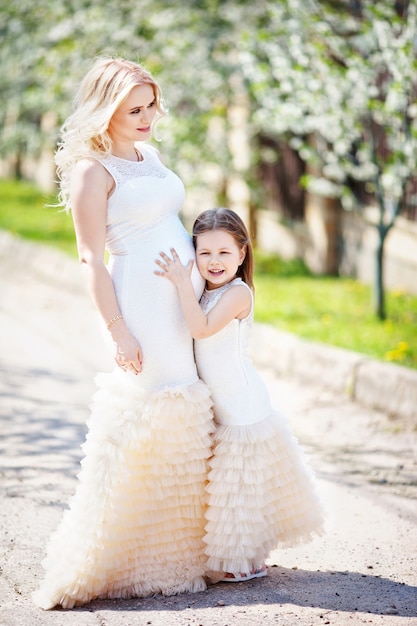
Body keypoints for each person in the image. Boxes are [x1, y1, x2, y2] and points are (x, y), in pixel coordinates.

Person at [32, 57, 214, 610]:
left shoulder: (148, 155)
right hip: (142, 308)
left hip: (184, 302)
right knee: (154, 412)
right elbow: (91, 259)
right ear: (104, 110)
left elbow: (169, 222)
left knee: (184, 418)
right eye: (134, 109)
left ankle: (178, 552)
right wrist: (119, 333)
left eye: (151, 105)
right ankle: (106, 558)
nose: (148, 117)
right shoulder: (92, 170)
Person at [155, 207, 325, 582]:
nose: (214, 262)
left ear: (243, 254)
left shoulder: (236, 293)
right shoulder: (209, 290)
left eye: (224, 253)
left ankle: (245, 563)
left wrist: (182, 282)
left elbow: (200, 330)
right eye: (205, 254)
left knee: (239, 488)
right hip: (223, 403)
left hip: (242, 404)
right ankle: (246, 558)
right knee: (230, 486)